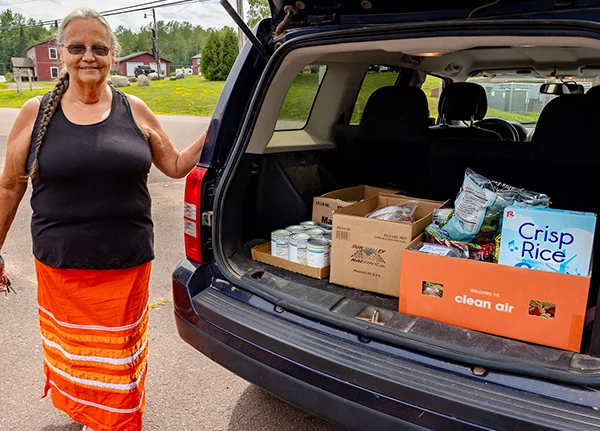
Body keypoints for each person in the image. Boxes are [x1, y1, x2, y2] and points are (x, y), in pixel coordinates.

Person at [0, 8, 205, 431]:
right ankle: (88, 415)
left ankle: (113, 422)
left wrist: (223, 121)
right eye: (77, 47)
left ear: (113, 55)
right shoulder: (36, 112)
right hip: (62, 268)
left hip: (125, 266)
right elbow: (9, 187)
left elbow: (176, 164)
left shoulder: (135, 109)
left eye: (98, 48)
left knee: (120, 362)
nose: (88, 56)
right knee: (77, 358)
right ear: (63, 54)